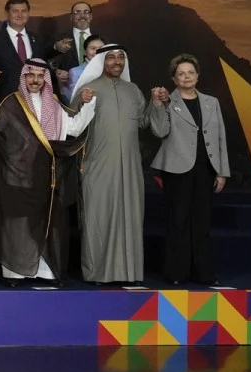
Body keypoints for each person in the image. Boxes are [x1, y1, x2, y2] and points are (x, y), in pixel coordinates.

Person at [0, 58, 96, 287]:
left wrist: (89, 105)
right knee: (17, 225)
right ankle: (14, 273)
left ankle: (45, 272)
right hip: (17, 175)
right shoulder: (11, 103)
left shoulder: (55, 105)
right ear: (24, 76)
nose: (36, 80)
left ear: (46, 79)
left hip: (48, 176)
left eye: (40, 76)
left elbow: (75, 128)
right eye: (31, 75)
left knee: (46, 224)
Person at [71, 44, 153, 285]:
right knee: (99, 217)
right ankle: (97, 273)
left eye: (120, 58)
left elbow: (144, 122)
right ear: (101, 62)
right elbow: (71, 122)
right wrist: (80, 102)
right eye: (111, 58)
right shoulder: (89, 89)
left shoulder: (133, 90)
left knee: (130, 218)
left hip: (130, 167)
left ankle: (129, 274)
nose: (116, 62)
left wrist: (157, 104)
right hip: (97, 165)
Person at [148, 54, 231, 286]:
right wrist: (158, 105)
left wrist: (222, 171)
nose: (187, 77)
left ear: (198, 76)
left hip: (206, 168)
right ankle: (176, 272)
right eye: (181, 74)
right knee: (178, 221)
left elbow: (220, 137)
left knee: (202, 222)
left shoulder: (211, 102)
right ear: (174, 79)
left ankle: (203, 273)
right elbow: (159, 131)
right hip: (177, 170)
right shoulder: (168, 100)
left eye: (191, 73)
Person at [0, 0, 66, 111]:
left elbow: (45, 61)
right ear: (7, 14)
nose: (20, 15)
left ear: (28, 14)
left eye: (23, 11)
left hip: (36, 105)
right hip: (4, 105)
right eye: (15, 11)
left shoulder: (38, 39)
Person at [62, 34, 105, 104]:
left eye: (101, 48)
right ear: (85, 52)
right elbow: (70, 100)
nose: (97, 51)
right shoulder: (75, 72)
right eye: (93, 48)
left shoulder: (111, 70)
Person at [54, 1, 94, 72]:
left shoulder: (102, 39)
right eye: (77, 12)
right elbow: (51, 63)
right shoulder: (59, 39)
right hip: (68, 78)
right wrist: (57, 72)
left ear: (91, 16)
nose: (82, 15)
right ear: (71, 17)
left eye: (86, 12)